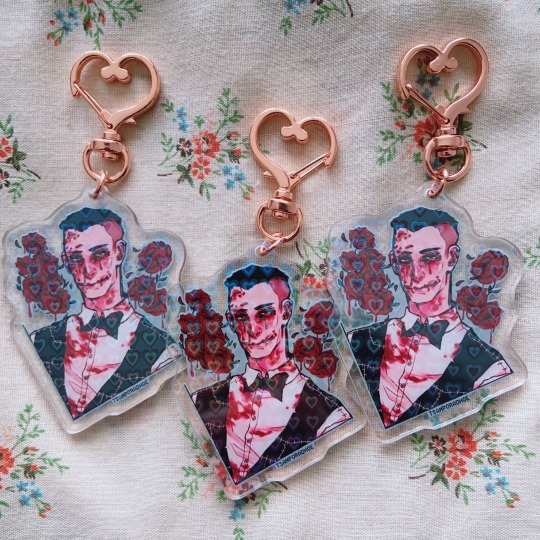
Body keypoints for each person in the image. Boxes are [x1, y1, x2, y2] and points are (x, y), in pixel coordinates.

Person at [347, 208, 512, 428]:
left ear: (452, 258)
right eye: (404, 260)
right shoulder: (357, 340)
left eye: (430, 258)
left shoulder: (489, 367)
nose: (416, 274)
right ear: (393, 262)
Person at [191, 264, 351, 485]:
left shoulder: (330, 414)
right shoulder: (202, 400)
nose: (252, 329)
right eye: (241, 317)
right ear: (230, 319)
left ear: (285, 311)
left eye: (264, 313)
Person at [31, 208, 172, 420]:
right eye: (76, 259)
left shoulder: (162, 351)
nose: (88, 271)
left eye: (99, 255)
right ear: (66, 261)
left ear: (120, 252)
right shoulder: (39, 340)